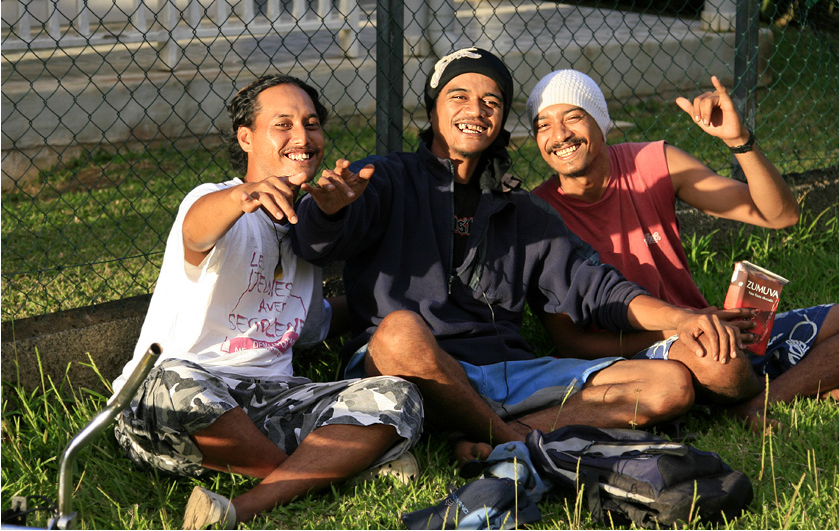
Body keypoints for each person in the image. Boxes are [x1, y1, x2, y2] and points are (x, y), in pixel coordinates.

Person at [292, 47, 755, 461]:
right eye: (459, 96)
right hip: (410, 371)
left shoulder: (522, 210)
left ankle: (492, 434)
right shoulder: (387, 178)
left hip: (507, 372)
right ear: (433, 110)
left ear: (501, 122)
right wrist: (328, 211)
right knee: (397, 333)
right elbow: (314, 243)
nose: (476, 110)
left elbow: (596, 288)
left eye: (491, 101)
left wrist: (682, 320)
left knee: (669, 385)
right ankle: (512, 438)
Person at [113, 75, 423, 530]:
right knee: (172, 383)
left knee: (399, 397)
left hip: (271, 404)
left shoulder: (307, 230)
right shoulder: (213, 201)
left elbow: (314, 322)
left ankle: (253, 500)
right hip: (183, 397)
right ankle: (323, 473)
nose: (302, 137)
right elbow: (197, 232)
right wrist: (241, 197)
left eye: (311, 123)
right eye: (283, 124)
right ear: (246, 137)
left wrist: (395, 297)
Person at [527, 68, 839, 427]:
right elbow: (571, 343)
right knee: (718, 359)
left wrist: (740, 142)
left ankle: (755, 401)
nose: (559, 135)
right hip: (636, 353)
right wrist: (681, 330)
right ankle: (781, 385)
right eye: (543, 124)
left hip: (710, 330)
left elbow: (780, 215)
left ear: (602, 123)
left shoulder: (653, 162)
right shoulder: (536, 214)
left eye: (573, 117)